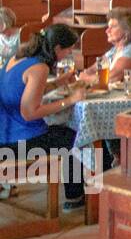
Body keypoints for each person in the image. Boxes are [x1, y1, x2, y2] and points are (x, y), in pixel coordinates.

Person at [1, 24, 89, 210]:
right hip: (19, 143)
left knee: (62, 132)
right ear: (57, 49)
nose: (69, 54)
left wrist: (57, 82)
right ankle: (75, 198)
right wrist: (71, 100)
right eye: (69, 50)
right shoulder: (39, 68)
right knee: (73, 138)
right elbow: (29, 112)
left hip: (4, 135)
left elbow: (21, 93)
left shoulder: (16, 59)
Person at [78, 8, 131, 85]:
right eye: (108, 26)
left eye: (113, 27)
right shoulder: (113, 51)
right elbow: (92, 70)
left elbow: (113, 77)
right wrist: (85, 74)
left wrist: (86, 78)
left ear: (127, 30)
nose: (107, 31)